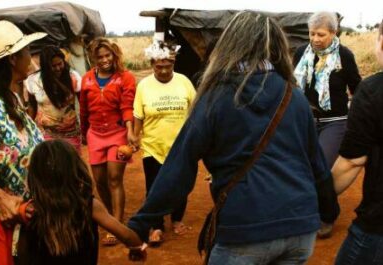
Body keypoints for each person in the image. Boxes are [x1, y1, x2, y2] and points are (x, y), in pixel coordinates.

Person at [128, 11, 338, 265]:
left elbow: (179, 166)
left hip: (244, 229)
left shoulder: (215, 97)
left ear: (230, 43)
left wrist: (143, 222)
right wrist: (329, 210)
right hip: (299, 228)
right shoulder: (294, 97)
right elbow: (316, 164)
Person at [13, 139, 145, 265]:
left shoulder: (30, 211)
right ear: (76, 169)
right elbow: (127, 236)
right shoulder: (88, 205)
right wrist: (139, 248)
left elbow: (22, 254)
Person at [293, 11, 361, 238]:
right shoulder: (302, 53)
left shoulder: (344, 55)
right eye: (312, 34)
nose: (315, 39)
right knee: (301, 166)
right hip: (307, 121)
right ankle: (306, 210)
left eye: (321, 34)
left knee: (320, 166)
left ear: (334, 32)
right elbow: (292, 85)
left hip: (335, 121)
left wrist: (359, 117)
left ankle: (327, 215)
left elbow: (357, 88)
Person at [0, 20, 46, 265]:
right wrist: (0, 198)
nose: (29, 55)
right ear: (11, 58)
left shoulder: (9, 98)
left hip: (23, 223)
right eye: (24, 50)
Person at [133, 40, 195, 245]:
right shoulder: (143, 85)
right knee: (154, 188)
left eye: (168, 66)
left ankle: (177, 219)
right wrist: (134, 135)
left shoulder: (184, 82)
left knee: (181, 184)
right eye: (159, 67)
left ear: (174, 63)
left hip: (181, 145)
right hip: (153, 145)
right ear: (152, 65)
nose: (164, 71)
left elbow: (194, 111)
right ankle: (156, 226)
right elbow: (138, 115)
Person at [332, 19, 383, 265]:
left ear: (381, 42)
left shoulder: (373, 91)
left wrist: (320, 196)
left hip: (378, 225)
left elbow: (352, 161)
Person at [80, 37, 137, 245]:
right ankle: (110, 215)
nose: (105, 60)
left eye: (108, 55)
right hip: (95, 134)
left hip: (117, 134)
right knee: (100, 180)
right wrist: (83, 132)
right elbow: (84, 108)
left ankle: (117, 225)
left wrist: (130, 131)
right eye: (100, 56)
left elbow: (127, 106)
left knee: (114, 178)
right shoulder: (86, 79)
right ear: (93, 58)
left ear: (114, 55)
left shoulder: (125, 77)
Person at [25, 45, 82, 152]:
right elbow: (32, 107)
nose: (57, 68)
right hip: (45, 133)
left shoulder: (73, 77)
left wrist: (86, 127)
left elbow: (83, 104)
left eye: (60, 64)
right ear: (45, 67)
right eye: (53, 66)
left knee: (71, 165)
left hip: (71, 133)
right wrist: (28, 128)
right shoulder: (34, 81)